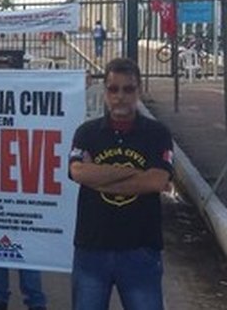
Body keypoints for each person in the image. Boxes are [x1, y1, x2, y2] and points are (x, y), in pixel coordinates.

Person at [69, 57, 172, 310]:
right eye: (113, 89)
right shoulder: (87, 133)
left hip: (140, 251)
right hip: (92, 249)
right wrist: (135, 175)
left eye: (128, 89)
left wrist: (99, 176)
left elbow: (157, 180)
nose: (120, 96)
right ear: (105, 91)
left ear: (139, 90)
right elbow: (78, 172)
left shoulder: (157, 133)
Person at [0, 52, 47, 310]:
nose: (3, 73)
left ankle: (35, 300)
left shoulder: (32, 96)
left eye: (8, 68)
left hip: (25, 184)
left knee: (27, 246)